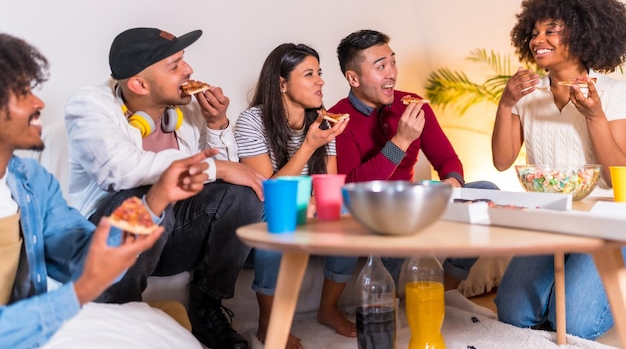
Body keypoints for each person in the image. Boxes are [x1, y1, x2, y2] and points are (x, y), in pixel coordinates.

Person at [0, 32, 211, 348]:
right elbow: (81, 284)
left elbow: (83, 257)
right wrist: (77, 295)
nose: (39, 102)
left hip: (34, 329)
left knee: (168, 332)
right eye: (22, 92)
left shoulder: (30, 180)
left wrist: (155, 201)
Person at [64, 27, 265, 349]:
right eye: (174, 65)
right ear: (139, 84)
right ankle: (118, 315)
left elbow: (232, 173)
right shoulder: (89, 104)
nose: (188, 71)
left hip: (173, 239)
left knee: (239, 197)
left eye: (184, 61)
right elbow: (117, 171)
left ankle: (207, 309)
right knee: (143, 197)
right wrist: (212, 167)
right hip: (107, 241)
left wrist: (217, 124)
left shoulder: (188, 110)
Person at [491, 0, 626, 339]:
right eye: (534, 32)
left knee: (578, 324)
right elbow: (503, 161)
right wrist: (505, 104)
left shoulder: (612, 93)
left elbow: (618, 181)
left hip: (603, 227)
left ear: (583, 34)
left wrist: (595, 116)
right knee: (513, 314)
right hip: (548, 218)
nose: (538, 40)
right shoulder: (527, 95)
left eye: (551, 30)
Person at [328, 29, 498, 305]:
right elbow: (350, 186)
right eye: (380, 66)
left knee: (487, 193)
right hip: (370, 210)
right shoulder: (339, 119)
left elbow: (447, 161)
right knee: (397, 211)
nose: (392, 73)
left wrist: (452, 183)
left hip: (415, 202)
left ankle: (446, 290)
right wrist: (401, 141)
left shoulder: (413, 105)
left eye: (393, 62)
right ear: (353, 78)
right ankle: (386, 301)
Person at [234, 43, 355, 349]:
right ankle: (268, 321)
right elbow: (266, 192)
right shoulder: (252, 121)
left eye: (320, 73)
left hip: (312, 217)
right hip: (265, 220)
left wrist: (321, 201)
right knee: (282, 210)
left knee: (353, 205)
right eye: (309, 74)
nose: (321, 81)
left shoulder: (323, 121)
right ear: (282, 83)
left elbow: (329, 186)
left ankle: (328, 308)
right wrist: (309, 146)